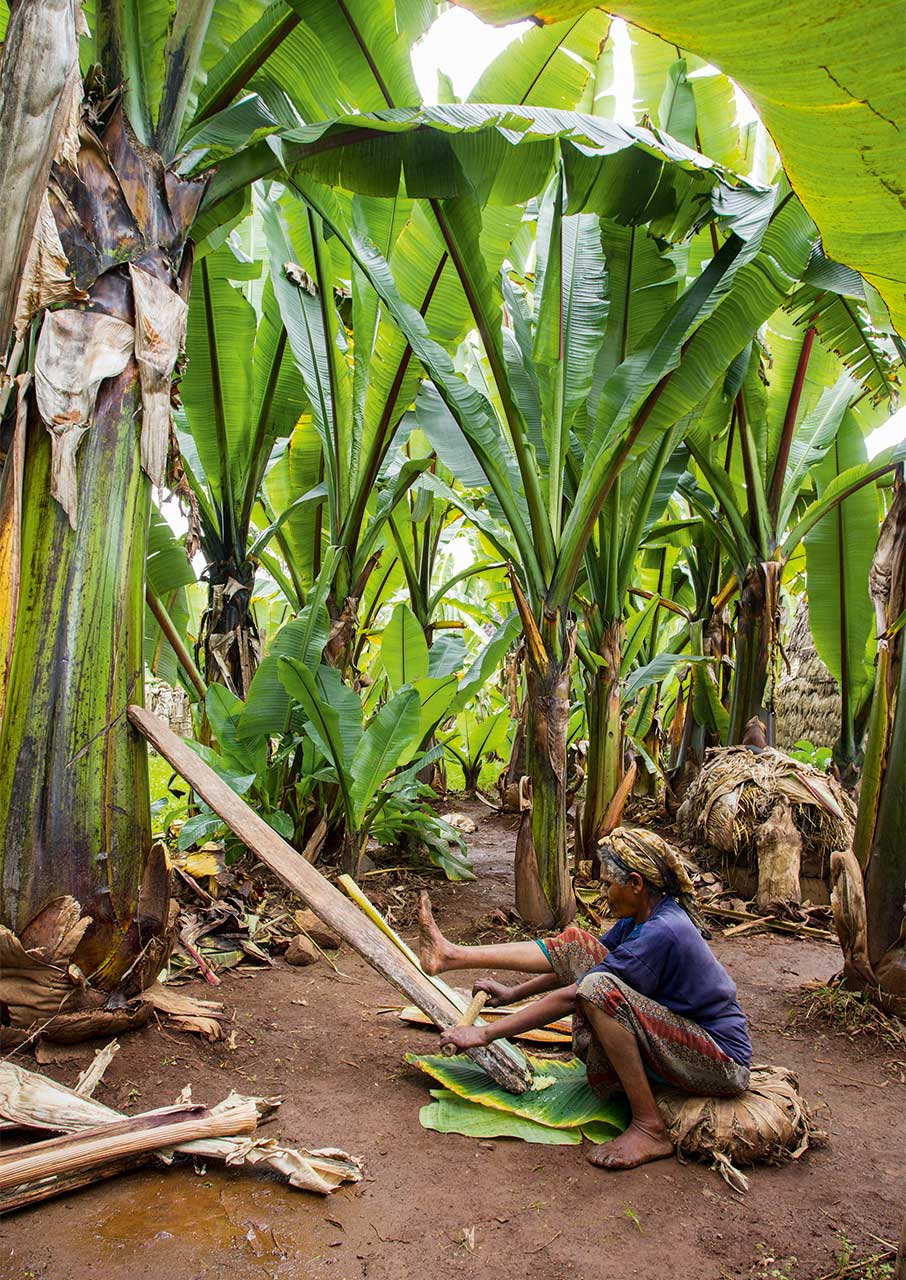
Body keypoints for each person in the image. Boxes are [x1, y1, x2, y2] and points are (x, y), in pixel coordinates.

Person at [419, 828, 752, 1171]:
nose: (605, 893)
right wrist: (513, 993)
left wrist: (486, 1033)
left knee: (597, 991)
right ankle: (453, 955)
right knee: (579, 945)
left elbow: (578, 992)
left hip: (722, 1060)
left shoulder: (663, 931)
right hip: (680, 1033)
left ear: (636, 884)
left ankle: (649, 1127)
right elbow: (580, 961)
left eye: (610, 883)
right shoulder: (643, 916)